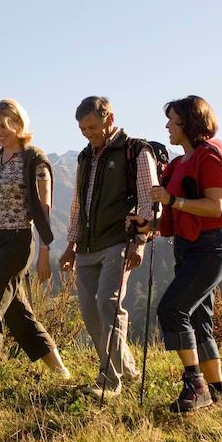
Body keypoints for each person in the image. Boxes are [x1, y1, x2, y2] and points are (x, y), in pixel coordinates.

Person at [144, 95, 222, 412]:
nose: (167, 126)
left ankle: (195, 384)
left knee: (172, 309)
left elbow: (214, 206)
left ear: (188, 123)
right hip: (189, 247)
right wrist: (150, 223)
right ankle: (217, 393)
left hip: (212, 246)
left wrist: (171, 201)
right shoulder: (179, 163)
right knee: (200, 319)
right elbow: (180, 212)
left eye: (172, 120)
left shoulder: (208, 157)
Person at [59, 96, 159, 399]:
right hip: (88, 245)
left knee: (108, 304)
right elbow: (78, 204)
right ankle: (126, 367)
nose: (87, 133)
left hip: (119, 240)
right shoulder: (84, 158)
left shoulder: (135, 151)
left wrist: (140, 242)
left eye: (91, 126)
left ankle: (109, 380)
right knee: (90, 311)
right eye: (81, 128)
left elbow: (149, 200)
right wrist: (71, 245)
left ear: (109, 118)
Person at [0, 98, 71, 396]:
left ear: (18, 123)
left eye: (3, 125)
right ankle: (59, 369)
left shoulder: (34, 159)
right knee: (16, 311)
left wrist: (43, 252)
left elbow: (44, 206)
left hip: (17, 241)